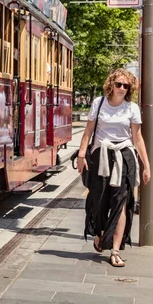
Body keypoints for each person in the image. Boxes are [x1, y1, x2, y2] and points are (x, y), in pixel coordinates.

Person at [77, 68, 151, 267]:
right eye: (118, 84)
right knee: (99, 201)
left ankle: (116, 250)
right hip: (100, 156)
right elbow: (89, 130)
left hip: (124, 157)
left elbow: (137, 138)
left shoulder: (132, 108)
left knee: (121, 203)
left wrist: (146, 165)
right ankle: (100, 234)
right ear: (111, 84)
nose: (122, 88)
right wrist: (81, 154)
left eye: (126, 86)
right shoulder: (98, 103)